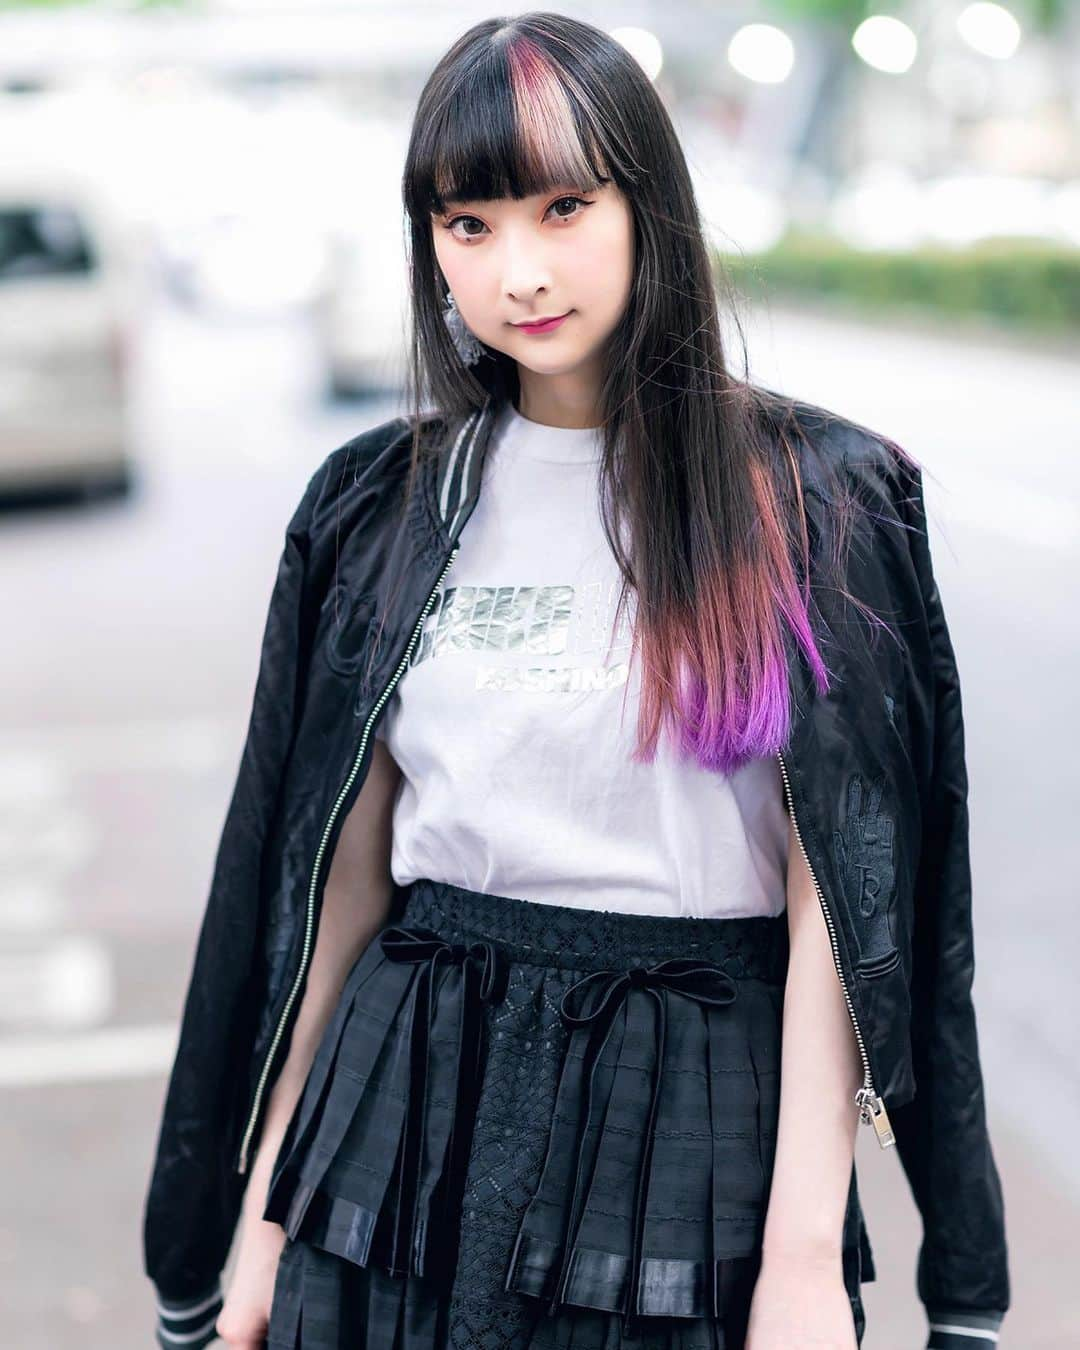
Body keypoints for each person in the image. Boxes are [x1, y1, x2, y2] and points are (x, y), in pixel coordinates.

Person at [142, 14, 1009, 1350]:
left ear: (647, 205)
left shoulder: (816, 494)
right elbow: (336, 884)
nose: (519, 269)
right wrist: (265, 1208)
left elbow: (845, 903)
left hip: (688, 1103)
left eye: (562, 205)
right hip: (399, 1106)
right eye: (469, 222)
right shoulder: (379, 500)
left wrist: (795, 1259)